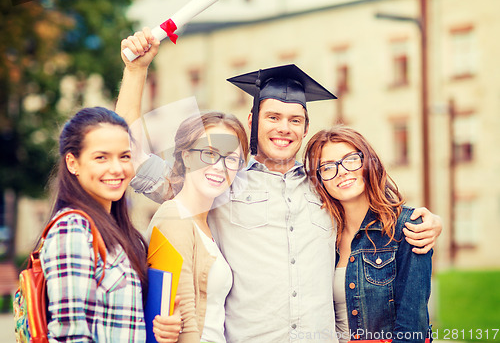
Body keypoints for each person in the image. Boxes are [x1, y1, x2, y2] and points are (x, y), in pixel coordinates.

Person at [117, 29, 442, 342]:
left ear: (305, 129)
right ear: (252, 121)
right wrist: (135, 71)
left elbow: (374, 218)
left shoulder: (326, 187)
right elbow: (132, 156)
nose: (284, 128)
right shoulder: (219, 181)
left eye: (295, 120)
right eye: (273, 117)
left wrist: (423, 220)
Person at [119, 29, 249, 343]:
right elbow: (182, 324)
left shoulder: (212, 216)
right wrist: (136, 70)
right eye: (208, 153)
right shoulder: (174, 218)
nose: (218, 166)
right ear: (185, 156)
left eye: (231, 158)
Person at [39, 107, 181, 342]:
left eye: (124, 156)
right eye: (101, 157)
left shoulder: (123, 234)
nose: (117, 168)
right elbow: (70, 336)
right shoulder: (73, 228)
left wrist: (164, 328)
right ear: (73, 163)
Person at [304, 126, 432, 343]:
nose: (342, 171)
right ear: (320, 180)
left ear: (368, 162)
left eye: (351, 159)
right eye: (327, 167)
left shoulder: (407, 228)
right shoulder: (322, 234)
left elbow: (413, 331)